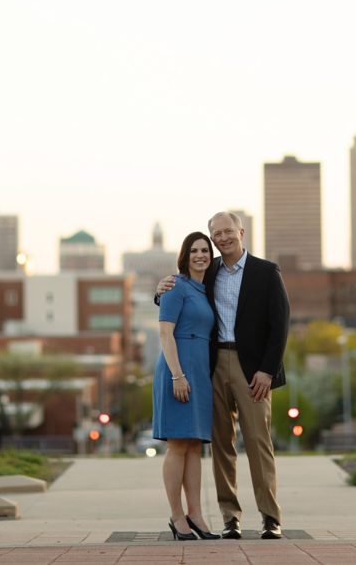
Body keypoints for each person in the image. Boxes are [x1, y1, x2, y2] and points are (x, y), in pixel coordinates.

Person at [157, 211, 290, 540]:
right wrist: (160, 291)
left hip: (253, 369)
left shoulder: (266, 272)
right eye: (217, 234)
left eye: (228, 231)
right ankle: (231, 517)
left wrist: (267, 370)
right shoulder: (209, 269)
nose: (223, 238)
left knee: (259, 442)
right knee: (220, 445)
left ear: (241, 232)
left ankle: (270, 517)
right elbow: (180, 297)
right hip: (212, 366)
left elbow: (280, 325)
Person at [152, 231, 220, 541]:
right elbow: (166, 334)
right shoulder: (176, 286)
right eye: (194, 250)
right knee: (178, 445)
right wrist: (178, 375)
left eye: (205, 250)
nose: (200, 255)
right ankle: (177, 516)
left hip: (199, 371)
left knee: (194, 446)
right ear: (185, 255)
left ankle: (196, 514)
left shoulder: (203, 290)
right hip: (177, 370)